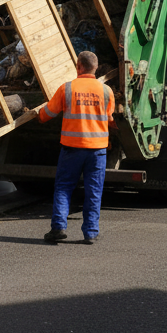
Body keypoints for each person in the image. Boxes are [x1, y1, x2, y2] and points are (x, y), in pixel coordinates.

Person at [39, 51, 114, 245]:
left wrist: (36, 113)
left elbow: (47, 114)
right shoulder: (106, 91)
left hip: (72, 149)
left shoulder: (67, 89)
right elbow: (110, 118)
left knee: (64, 187)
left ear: (78, 66)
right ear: (96, 68)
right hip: (97, 151)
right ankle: (90, 232)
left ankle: (58, 228)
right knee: (93, 190)